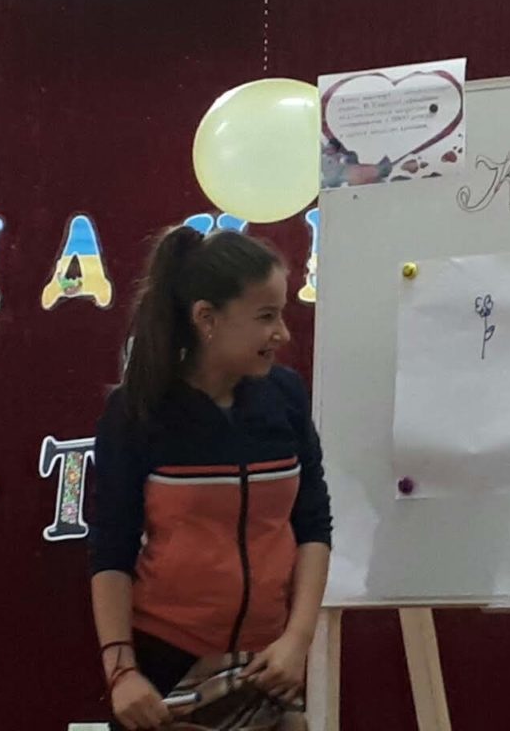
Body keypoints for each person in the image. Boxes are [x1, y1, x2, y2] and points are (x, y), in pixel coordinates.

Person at [88, 227, 332, 731]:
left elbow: (313, 525)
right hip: (163, 667)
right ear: (207, 319)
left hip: (269, 666)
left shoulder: (286, 396)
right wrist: (122, 672)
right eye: (266, 317)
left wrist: (297, 640)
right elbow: (111, 551)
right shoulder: (136, 411)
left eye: (281, 314)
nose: (283, 334)